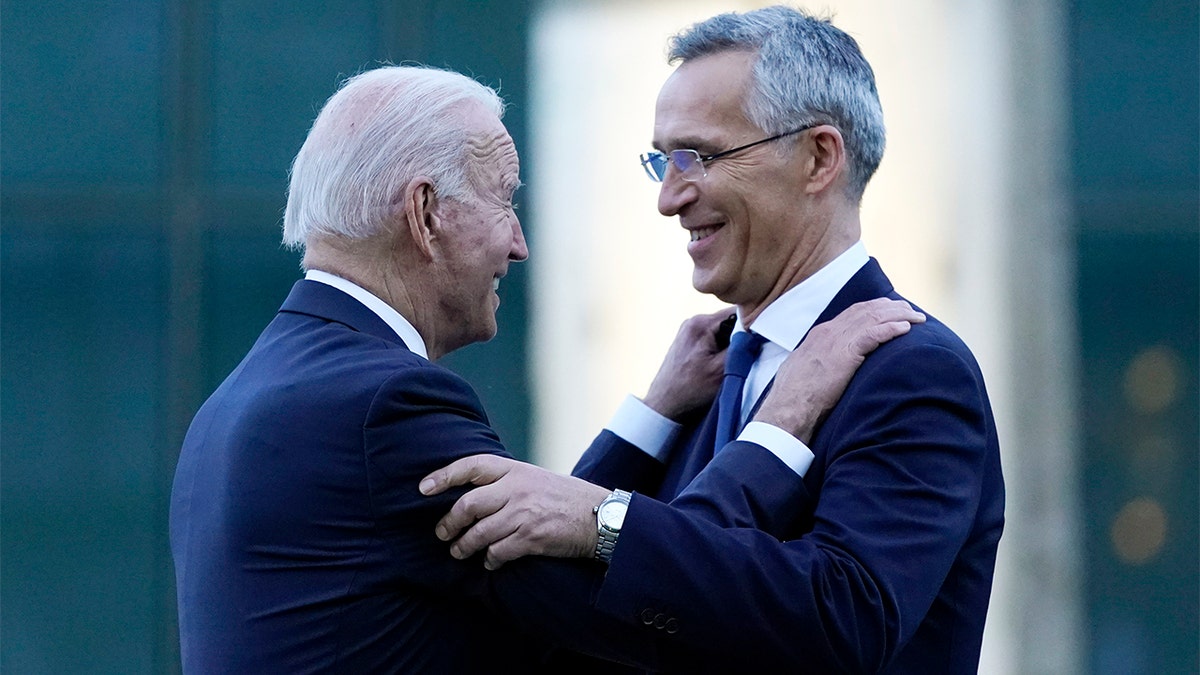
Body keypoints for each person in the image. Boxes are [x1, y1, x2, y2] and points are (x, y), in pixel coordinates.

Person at [169, 63, 923, 673]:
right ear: (427, 213)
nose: (519, 243)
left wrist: (652, 417)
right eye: (504, 200)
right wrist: (779, 422)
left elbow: (537, 549)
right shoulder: (385, 407)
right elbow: (637, 607)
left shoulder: (251, 394)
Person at [424, 5, 1005, 673]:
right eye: (662, 161)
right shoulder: (704, 373)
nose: (669, 199)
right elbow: (570, 604)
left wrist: (606, 521)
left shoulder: (913, 369)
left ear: (818, 157)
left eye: (698, 157)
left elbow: (848, 618)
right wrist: (645, 425)